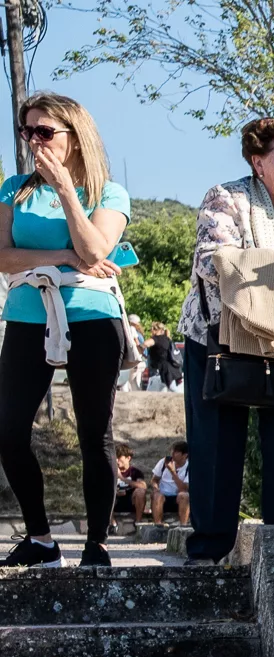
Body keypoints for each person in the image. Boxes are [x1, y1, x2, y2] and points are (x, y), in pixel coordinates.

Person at [180, 116, 274, 564]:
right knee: (217, 447)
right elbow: (211, 261)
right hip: (219, 339)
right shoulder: (228, 198)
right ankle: (209, 553)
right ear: (257, 161)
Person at [0, 95, 131, 567]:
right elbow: (2, 257)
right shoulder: (14, 189)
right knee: (8, 431)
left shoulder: (109, 193)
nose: (35, 141)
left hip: (92, 317)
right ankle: (40, 540)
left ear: (75, 135)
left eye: (45, 131)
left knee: (94, 433)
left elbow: (95, 250)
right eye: (27, 132)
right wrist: (61, 257)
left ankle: (96, 544)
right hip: (27, 315)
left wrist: (66, 192)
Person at [150, 440, 189, 526]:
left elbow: (184, 488)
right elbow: (154, 480)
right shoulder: (163, 462)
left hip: (178, 497)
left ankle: (183, 526)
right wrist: (156, 488)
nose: (172, 453)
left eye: (176, 452)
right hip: (163, 496)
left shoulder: (189, 467)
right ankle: (158, 525)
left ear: (185, 455)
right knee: (157, 496)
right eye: (172, 451)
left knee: (184, 495)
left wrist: (173, 472)